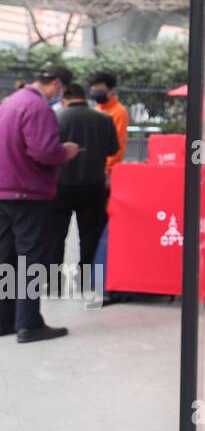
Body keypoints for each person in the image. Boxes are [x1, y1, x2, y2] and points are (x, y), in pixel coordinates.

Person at [0, 64, 80, 342]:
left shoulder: (10, 102)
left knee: (6, 258)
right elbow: (43, 151)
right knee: (32, 259)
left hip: (4, 191)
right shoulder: (37, 108)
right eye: (63, 89)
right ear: (57, 83)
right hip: (29, 193)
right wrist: (66, 151)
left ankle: (5, 320)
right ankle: (30, 324)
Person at [47, 83, 119, 295]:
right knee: (90, 234)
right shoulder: (104, 119)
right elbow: (113, 149)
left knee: (55, 235)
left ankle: (53, 282)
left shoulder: (55, 118)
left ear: (64, 98)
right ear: (84, 97)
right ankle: (85, 279)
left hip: (59, 185)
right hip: (93, 185)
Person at [88, 72, 128, 180]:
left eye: (100, 91)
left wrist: (106, 168)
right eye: (94, 90)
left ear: (112, 89)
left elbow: (118, 144)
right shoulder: (97, 109)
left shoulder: (119, 112)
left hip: (107, 171)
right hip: (94, 168)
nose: (96, 94)